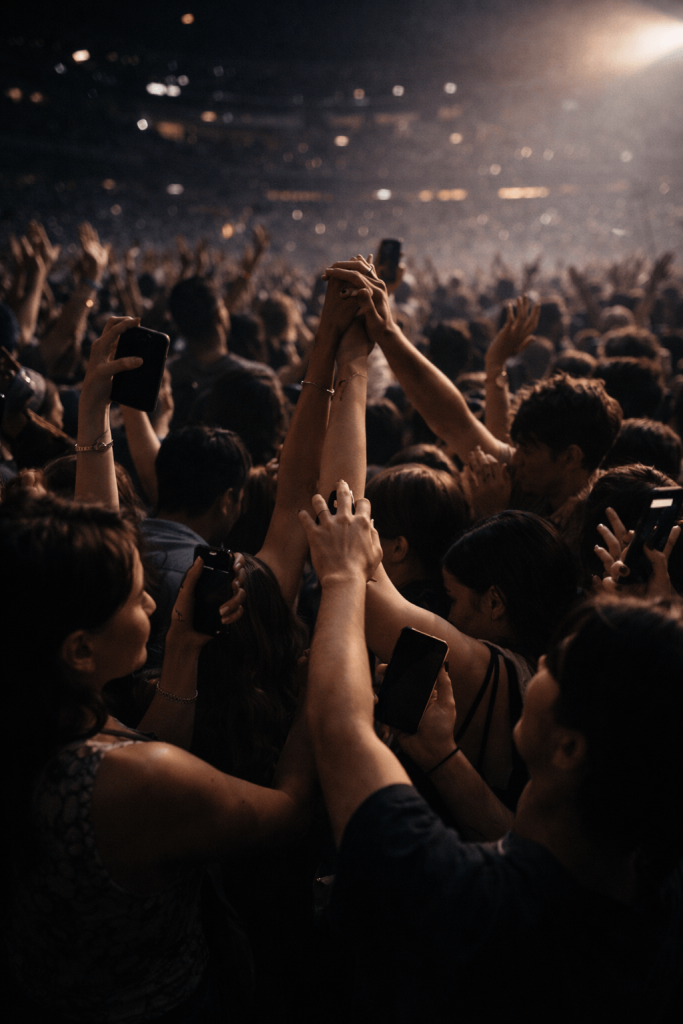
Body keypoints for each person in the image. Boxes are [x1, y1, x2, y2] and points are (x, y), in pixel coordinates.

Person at [298, 481, 683, 1023]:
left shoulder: (459, 895)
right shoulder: (652, 885)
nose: (541, 664)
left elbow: (341, 729)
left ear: (569, 747)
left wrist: (340, 578)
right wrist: (442, 756)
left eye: (557, 666)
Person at [322, 257, 622, 528]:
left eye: (528, 450)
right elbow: (455, 423)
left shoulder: (601, 523)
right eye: (518, 447)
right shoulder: (534, 482)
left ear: (571, 457)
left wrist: (494, 515)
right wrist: (388, 332)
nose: (515, 459)